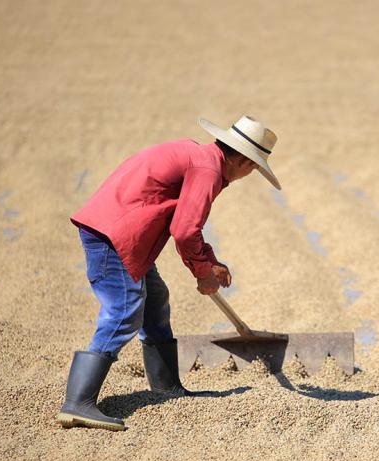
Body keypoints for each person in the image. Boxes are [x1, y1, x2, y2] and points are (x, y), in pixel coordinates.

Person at [56, 115, 280, 431]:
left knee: (155, 297)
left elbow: (184, 221)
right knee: (124, 310)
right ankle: (77, 403)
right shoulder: (208, 170)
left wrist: (209, 262)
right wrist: (202, 272)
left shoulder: (199, 156)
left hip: (119, 231)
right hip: (115, 236)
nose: (252, 173)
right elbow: (185, 230)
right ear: (244, 161)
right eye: (255, 167)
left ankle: (165, 386)